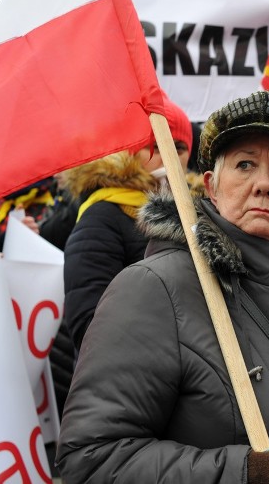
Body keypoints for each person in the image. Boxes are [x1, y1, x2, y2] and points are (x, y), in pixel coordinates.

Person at [57, 91, 269, 483]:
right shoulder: (154, 288)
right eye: (244, 165)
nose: (263, 184)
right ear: (211, 185)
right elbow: (89, 459)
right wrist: (233, 473)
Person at [61, 95, 194, 352]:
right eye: (155, 145)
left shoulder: (202, 214)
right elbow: (89, 324)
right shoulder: (102, 218)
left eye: (178, 147)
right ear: (132, 152)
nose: (169, 156)